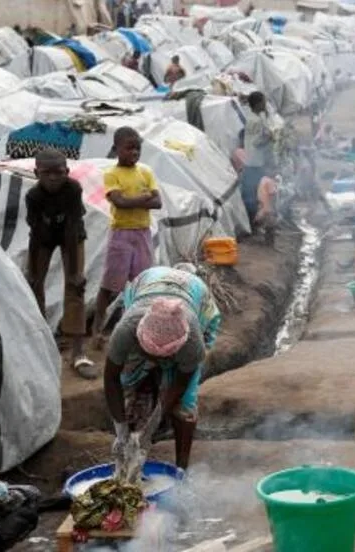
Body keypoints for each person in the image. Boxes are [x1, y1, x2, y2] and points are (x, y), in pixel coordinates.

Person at [104, 265, 221, 470]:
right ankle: (128, 449)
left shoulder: (193, 341)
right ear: (139, 337)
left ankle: (181, 470)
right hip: (147, 282)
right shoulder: (127, 328)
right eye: (151, 353)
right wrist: (121, 430)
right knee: (130, 383)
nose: (158, 359)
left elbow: (181, 385)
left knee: (185, 405)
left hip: (194, 294)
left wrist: (153, 426)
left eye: (166, 355)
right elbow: (111, 378)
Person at [25, 149, 94, 378]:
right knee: (34, 287)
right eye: (47, 173)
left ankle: (78, 352)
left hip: (72, 237)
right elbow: (34, 233)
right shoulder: (33, 197)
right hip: (43, 237)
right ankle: (41, 345)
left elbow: (72, 226)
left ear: (67, 171)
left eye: (59, 172)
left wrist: (75, 271)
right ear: (36, 173)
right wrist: (34, 270)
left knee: (75, 288)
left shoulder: (72, 189)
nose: (53, 178)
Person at [93, 127, 161, 345]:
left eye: (137, 148)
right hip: (121, 234)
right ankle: (97, 330)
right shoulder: (112, 174)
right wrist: (143, 199)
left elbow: (158, 202)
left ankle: (141, 327)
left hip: (142, 233)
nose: (134, 153)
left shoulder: (145, 172)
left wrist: (132, 201)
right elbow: (119, 203)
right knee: (110, 284)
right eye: (129, 148)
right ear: (116, 149)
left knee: (143, 281)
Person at [239, 91, 278, 223]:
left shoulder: (252, 117)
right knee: (256, 193)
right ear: (258, 104)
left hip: (251, 161)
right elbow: (257, 141)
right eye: (263, 102)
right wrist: (269, 137)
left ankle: (253, 219)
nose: (265, 104)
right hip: (255, 162)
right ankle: (254, 221)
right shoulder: (256, 121)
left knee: (252, 191)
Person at [255, 167, 278, 247]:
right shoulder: (270, 181)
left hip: (261, 205)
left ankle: (266, 242)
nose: (275, 172)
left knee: (266, 224)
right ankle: (269, 244)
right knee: (271, 225)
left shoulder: (263, 179)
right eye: (274, 170)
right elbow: (272, 195)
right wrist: (274, 208)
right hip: (268, 207)